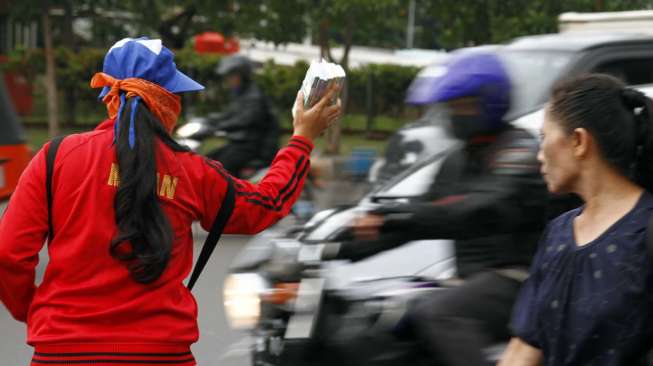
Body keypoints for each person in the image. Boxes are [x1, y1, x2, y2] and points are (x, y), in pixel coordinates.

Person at [0, 37, 340, 366]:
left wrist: (32, 308)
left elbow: (7, 254)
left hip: (61, 352)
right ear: (169, 100)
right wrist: (302, 139)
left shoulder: (55, 158)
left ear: (109, 95)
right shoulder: (193, 171)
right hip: (161, 355)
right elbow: (265, 204)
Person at [344, 52, 551, 366]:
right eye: (452, 106)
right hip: (468, 280)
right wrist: (343, 242)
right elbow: (424, 212)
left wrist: (398, 218)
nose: (455, 114)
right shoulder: (457, 159)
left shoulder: (518, 150)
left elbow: (482, 208)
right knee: (377, 323)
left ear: (489, 102)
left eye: (464, 105)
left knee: (441, 313)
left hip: (518, 279)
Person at [500, 74, 653, 366]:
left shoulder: (645, 230)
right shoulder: (558, 234)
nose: (539, 156)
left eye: (544, 137)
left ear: (579, 141)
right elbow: (523, 350)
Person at [208, 55, 279, 177]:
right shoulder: (242, 94)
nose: (229, 80)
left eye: (232, 75)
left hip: (253, 146)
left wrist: (218, 126)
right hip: (241, 143)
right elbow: (230, 114)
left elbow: (244, 120)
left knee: (218, 168)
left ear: (242, 75)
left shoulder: (253, 97)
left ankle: (228, 195)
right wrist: (211, 119)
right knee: (207, 160)